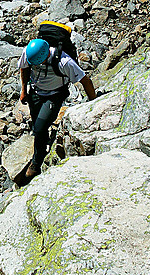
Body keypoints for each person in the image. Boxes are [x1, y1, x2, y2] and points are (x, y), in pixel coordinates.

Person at [18, 37, 96, 185]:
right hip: (35, 92)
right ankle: (42, 143)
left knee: (40, 128)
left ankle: (36, 162)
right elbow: (24, 68)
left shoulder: (64, 62)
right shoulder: (29, 54)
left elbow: (85, 81)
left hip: (54, 95)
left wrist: (94, 105)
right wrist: (24, 90)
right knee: (37, 125)